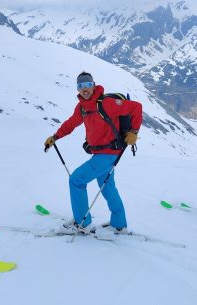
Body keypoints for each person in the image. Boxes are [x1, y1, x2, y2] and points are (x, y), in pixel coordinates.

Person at [44, 72, 142, 234]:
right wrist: (55, 137)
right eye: (80, 86)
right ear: (78, 88)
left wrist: (134, 131)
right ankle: (119, 224)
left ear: (93, 85)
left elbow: (136, 107)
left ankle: (82, 223)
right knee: (107, 186)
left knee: (76, 180)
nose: (85, 89)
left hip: (109, 153)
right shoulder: (82, 107)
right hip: (100, 154)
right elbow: (71, 124)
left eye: (87, 85)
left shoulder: (107, 103)